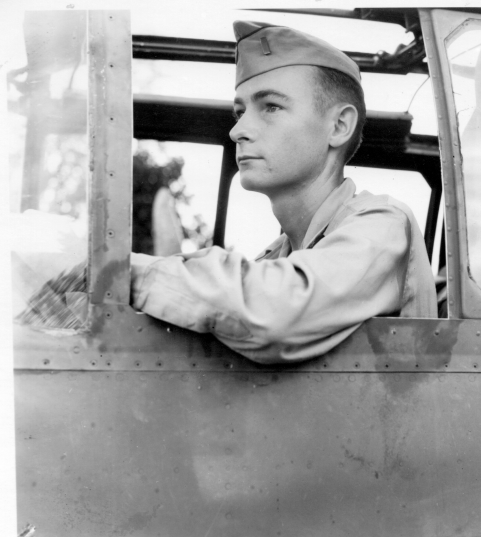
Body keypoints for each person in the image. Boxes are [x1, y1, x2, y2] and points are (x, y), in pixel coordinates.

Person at [130, 21, 437, 364]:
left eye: (271, 107)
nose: (238, 130)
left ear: (338, 126)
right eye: (240, 111)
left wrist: (124, 273)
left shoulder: (382, 225)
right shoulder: (278, 256)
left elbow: (273, 311)